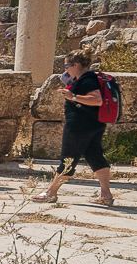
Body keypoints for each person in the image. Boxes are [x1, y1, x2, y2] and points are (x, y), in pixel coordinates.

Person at [33, 51, 114, 206]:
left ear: (76, 65)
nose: (66, 70)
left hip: (79, 126)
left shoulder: (87, 79)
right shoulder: (88, 78)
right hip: (94, 124)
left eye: (67, 66)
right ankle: (106, 195)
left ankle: (51, 193)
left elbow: (97, 100)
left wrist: (73, 97)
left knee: (68, 159)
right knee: (96, 158)